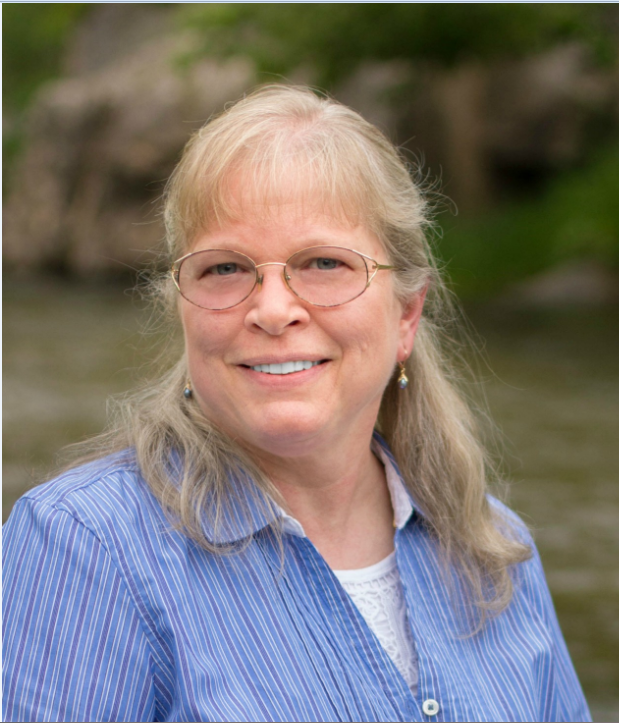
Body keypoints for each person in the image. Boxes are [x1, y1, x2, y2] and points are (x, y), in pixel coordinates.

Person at [3, 85, 590, 723]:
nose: (274, 310)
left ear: (406, 315)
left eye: (324, 263)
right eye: (224, 269)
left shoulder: (495, 552)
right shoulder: (83, 547)